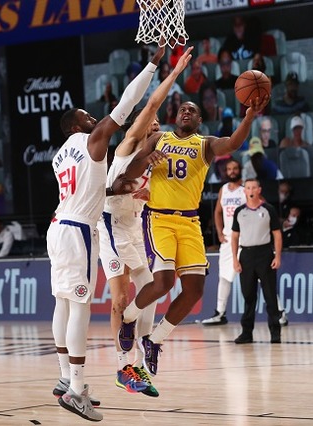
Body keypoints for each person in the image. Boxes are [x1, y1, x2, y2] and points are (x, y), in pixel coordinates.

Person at [116, 86, 270, 377]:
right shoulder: (158, 138)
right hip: (159, 218)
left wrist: (248, 118)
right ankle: (128, 318)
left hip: (189, 222)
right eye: (182, 109)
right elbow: (129, 173)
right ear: (176, 116)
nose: (186, 111)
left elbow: (232, 144)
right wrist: (146, 160)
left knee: (195, 290)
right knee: (162, 283)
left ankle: (154, 339)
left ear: (199, 121)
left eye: (192, 110)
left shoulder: (205, 144)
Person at [47, 46, 165, 422]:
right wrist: (152, 66)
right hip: (79, 231)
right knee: (80, 308)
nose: (93, 116)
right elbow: (126, 106)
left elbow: (88, 190)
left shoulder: (59, 156)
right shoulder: (92, 140)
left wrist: (117, 190)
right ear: (77, 125)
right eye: (86, 115)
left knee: (62, 305)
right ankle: (78, 391)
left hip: (58, 227)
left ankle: (66, 379)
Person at [98, 47, 192, 398]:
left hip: (134, 225)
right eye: (151, 122)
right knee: (120, 298)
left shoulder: (154, 158)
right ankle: (125, 365)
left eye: (157, 126)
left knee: (152, 287)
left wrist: (149, 197)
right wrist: (174, 71)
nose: (156, 125)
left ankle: (143, 350)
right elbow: (152, 104)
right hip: (110, 223)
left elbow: (154, 195)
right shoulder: (130, 142)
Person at [230, 178, 282, 344]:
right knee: (248, 296)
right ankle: (246, 332)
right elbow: (234, 236)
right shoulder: (239, 211)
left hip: (264, 253)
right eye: (248, 187)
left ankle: (275, 332)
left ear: (259, 190)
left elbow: (277, 233)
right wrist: (235, 259)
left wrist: (277, 256)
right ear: (244, 191)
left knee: (270, 295)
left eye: (253, 187)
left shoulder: (268, 209)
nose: (251, 190)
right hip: (246, 254)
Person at [202, 159, 245, 326]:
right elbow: (217, 212)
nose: (232, 171)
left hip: (245, 240)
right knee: (224, 277)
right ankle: (220, 313)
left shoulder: (246, 190)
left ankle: (278, 312)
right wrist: (220, 233)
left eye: (235, 168)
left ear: (240, 170)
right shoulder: (223, 190)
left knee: (260, 277)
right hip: (228, 240)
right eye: (229, 169)